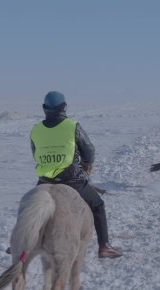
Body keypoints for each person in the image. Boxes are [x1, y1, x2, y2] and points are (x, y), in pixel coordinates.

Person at [27, 91, 123, 258]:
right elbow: (89, 150)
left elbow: (35, 154)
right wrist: (87, 163)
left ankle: (21, 243)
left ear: (44, 109)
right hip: (71, 180)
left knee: (29, 208)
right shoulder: (72, 126)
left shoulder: (36, 129)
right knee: (98, 205)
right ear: (64, 107)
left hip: (44, 180)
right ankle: (104, 246)